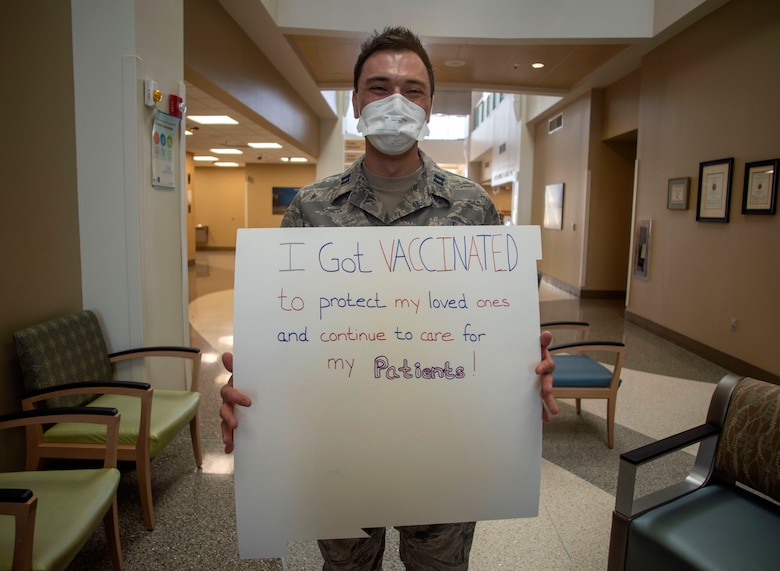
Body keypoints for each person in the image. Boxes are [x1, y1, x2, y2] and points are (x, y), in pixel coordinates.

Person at [220, 26, 558, 571]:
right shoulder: (311, 208)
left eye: (412, 89)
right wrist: (253, 385)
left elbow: (497, 328)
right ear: (355, 102)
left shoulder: (473, 208)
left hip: (445, 447)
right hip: (339, 448)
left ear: (429, 104)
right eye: (378, 88)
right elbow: (287, 329)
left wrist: (525, 369)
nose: (395, 102)